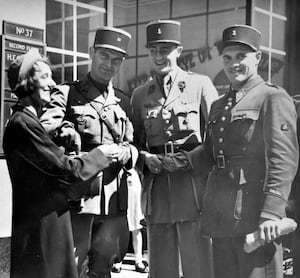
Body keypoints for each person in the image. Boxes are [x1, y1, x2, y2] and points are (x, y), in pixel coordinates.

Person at [184, 24, 299, 278]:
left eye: (241, 57)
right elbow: (211, 154)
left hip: (255, 219)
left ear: (258, 58)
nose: (233, 64)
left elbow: (284, 159)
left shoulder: (273, 98)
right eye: (227, 58)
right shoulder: (218, 105)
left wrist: (271, 214)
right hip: (221, 216)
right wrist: (178, 161)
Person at [3, 49, 124, 278]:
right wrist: (100, 154)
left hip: (46, 224)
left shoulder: (26, 121)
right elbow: (66, 170)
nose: (52, 83)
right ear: (27, 83)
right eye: (45, 77)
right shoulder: (24, 124)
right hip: (42, 229)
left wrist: (66, 135)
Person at [40, 27, 135, 278]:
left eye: (116, 60)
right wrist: (66, 131)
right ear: (91, 53)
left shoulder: (124, 101)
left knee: (103, 267)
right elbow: (43, 131)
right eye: (104, 56)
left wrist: (127, 154)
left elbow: (135, 145)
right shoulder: (67, 93)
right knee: (74, 265)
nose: (109, 64)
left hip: (114, 200)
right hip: (80, 197)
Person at [130, 19, 218, 278]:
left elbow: (216, 137)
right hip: (158, 186)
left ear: (179, 51)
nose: (159, 57)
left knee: (197, 262)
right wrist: (145, 158)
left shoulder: (200, 84)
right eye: (153, 50)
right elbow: (134, 141)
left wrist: (188, 160)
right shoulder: (140, 95)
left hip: (191, 184)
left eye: (165, 50)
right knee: (161, 263)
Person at [112, 167, 149, 274]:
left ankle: (139, 260)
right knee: (120, 228)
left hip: (134, 183)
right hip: (119, 182)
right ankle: (118, 260)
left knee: (136, 225)